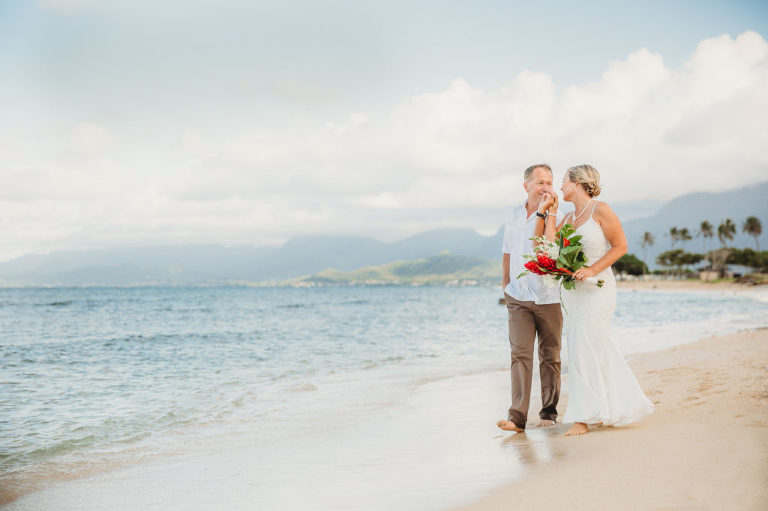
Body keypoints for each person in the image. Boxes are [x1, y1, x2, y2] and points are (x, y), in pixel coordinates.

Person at [541, 164, 654, 436]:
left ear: (578, 183)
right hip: (573, 291)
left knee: (587, 344)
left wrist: (592, 269)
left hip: (598, 288)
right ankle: (603, 408)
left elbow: (621, 246)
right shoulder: (567, 218)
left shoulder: (600, 210)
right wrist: (551, 214)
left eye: (564, 182)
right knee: (584, 345)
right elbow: (551, 248)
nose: (561, 187)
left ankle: (583, 417)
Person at [497, 164, 564, 433]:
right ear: (526, 186)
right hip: (517, 296)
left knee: (550, 356)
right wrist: (506, 284)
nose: (546, 187)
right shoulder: (512, 215)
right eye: (540, 182)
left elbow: (550, 252)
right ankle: (517, 418)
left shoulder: (559, 214)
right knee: (519, 354)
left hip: (548, 296)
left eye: (549, 182)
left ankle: (548, 412)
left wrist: (548, 215)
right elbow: (507, 252)